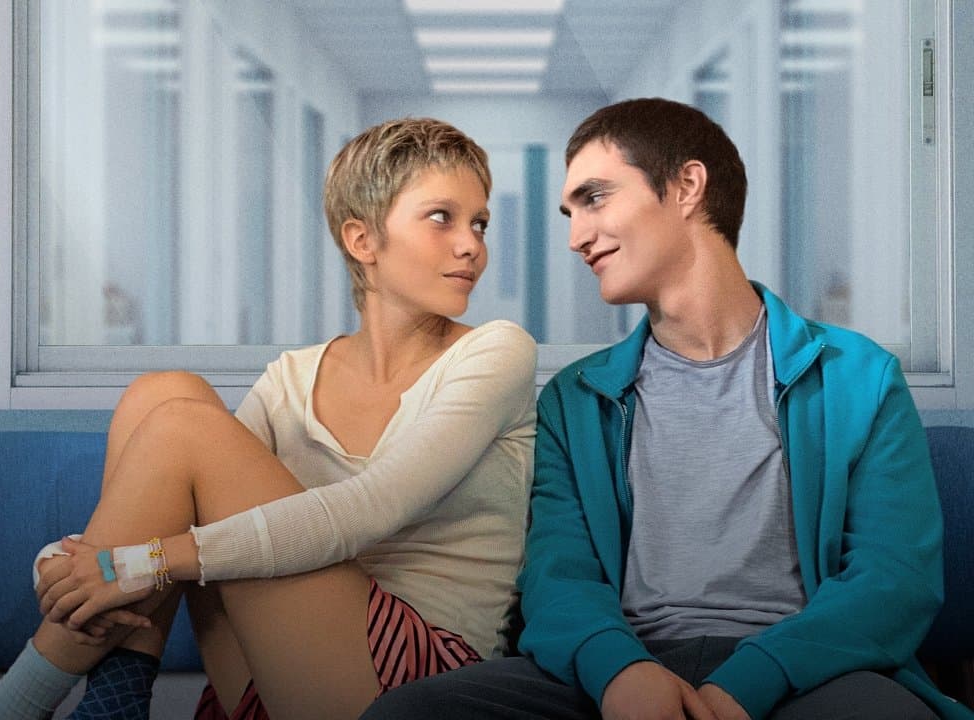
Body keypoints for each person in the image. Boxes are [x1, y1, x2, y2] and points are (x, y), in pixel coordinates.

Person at [362, 98, 973, 720]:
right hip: (622, 668)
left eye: (595, 198)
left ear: (686, 186)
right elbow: (558, 577)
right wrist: (620, 673)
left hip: (802, 672)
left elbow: (893, 581)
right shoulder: (577, 399)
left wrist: (751, 680)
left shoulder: (859, 377)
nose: (576, 237)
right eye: (571, 213)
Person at [0, 117, 537, 720]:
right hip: (275, 677)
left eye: (479, 223)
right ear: (363, 240)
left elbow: (369, 511)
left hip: (423, 686)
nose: (472, 245)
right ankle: (117, 699)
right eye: (442, 217)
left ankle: (15, 705)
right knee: (162, 395)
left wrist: (135, 564)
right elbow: (169, 509)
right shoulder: (292, 378)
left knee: (181, 429)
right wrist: (63, 564)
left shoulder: (496, 352)